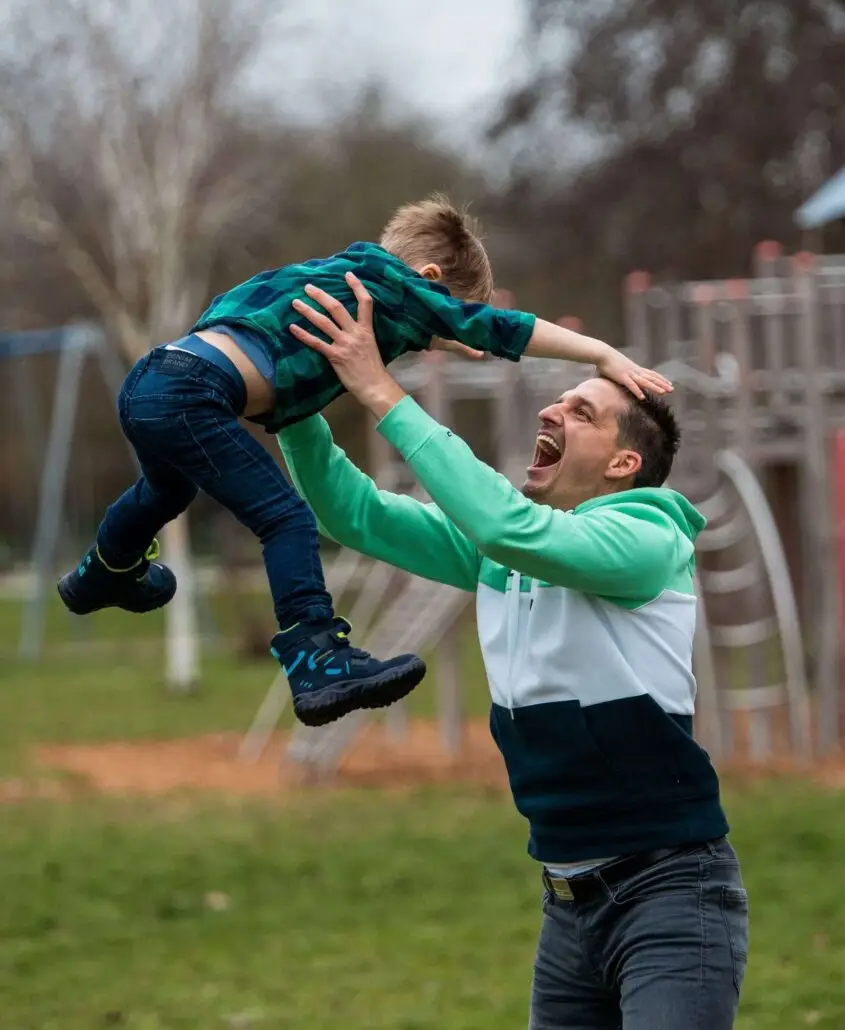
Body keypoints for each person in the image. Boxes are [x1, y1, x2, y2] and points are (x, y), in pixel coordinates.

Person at [277, 272, 748, 1029]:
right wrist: (293, 398)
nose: (552, 407)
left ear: (623, 464)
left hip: (669, 897)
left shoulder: (648, 538)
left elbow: (510, 531)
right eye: (558, 398)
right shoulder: (509, 552)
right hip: (565, 907)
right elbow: (353, 512)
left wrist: (382, 393)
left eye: (581, 411)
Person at [55, 196, 669, 728]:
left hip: (156, 379)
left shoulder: (314, 280)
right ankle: (316, 657)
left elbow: (262, 357)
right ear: (426, 277)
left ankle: (103, 571)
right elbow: (497, 328)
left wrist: (384, 364)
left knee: (163, 493)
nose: (440, 338)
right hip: (193, 396)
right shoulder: (394, 286)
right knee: (285, 520)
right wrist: (599, 354)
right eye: (438, 323)